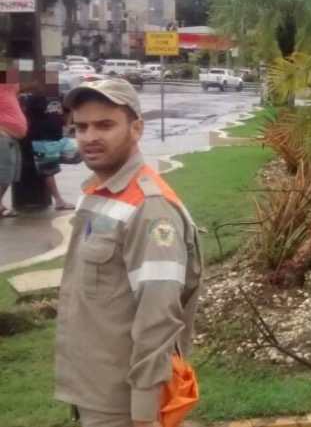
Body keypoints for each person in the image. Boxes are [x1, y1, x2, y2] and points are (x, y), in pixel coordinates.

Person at [54, 78, 203, 427]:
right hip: (94, 389)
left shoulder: (151, 209)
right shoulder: (100, 190)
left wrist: (144, 414)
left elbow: (158, 317)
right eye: (82, 127)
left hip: (122, 407)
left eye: (105, 125)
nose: (90, 137)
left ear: (136, 129)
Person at [23, 69, 76, 210]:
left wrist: (67, 125)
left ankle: (53, 159)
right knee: (49, 170)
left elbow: (70, 109)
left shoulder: (58, 96)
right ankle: (59, 200)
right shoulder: (35, 98)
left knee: (78, 156)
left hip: (59, 138)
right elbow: (26, 117)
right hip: (42, 139)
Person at [0, 60, 29, 217]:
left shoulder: (11, 87)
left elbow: (27, 85)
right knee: (3, 173)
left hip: (13, 137)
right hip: (3, 135)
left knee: (10, 173)